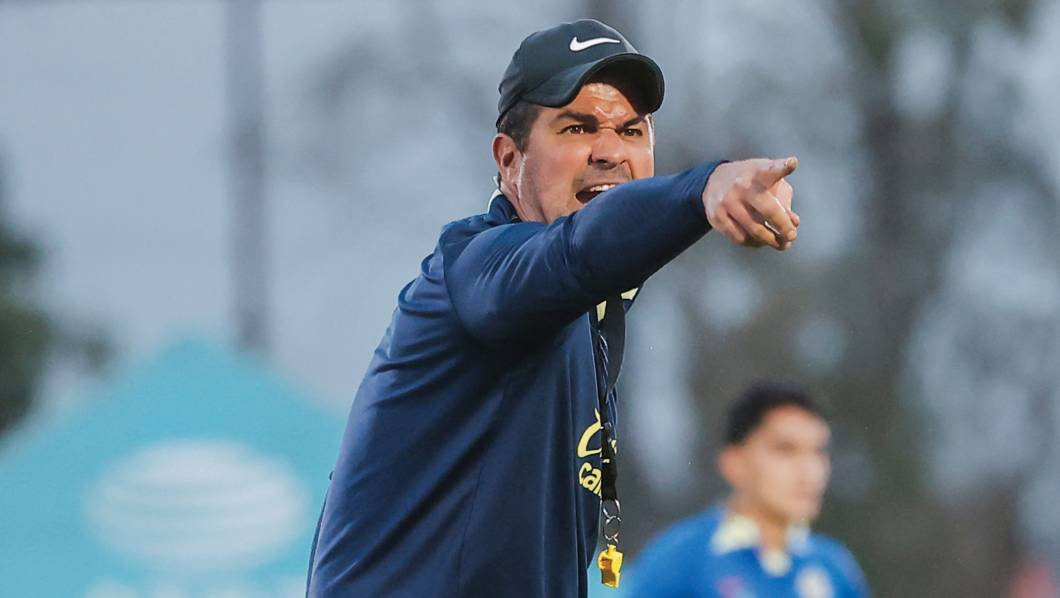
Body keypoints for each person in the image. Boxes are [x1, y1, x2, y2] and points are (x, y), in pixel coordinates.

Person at [306, 19, 801, 598]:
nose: (610, 152)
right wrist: (703, 188)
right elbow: (575, 252)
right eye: (577, 127)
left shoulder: (590, 312)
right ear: (508, 157)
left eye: (632, 130)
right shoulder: (476, 272)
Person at [627, 385, 870, 598]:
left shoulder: (834, 567)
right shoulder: (681, 560)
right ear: (734, 463)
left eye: (818, 452)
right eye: (785, 450)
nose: (809, 471)